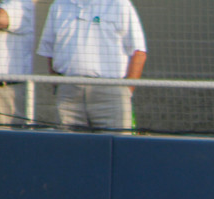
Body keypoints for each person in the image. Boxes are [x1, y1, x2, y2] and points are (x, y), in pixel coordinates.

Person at [36, 0, 147, 131]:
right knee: (68, 142)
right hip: (69, 94)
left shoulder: (119, 4)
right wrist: (60, 86)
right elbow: (49, 50)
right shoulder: (59, 5)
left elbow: (139, 52)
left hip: (110, 92)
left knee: (116, 141)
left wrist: (126, 91)